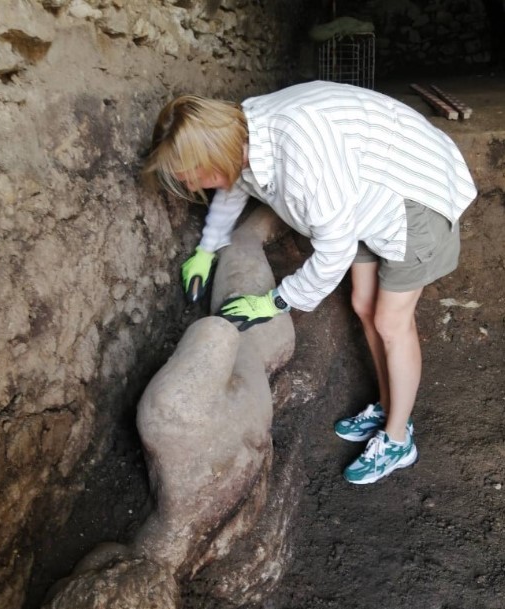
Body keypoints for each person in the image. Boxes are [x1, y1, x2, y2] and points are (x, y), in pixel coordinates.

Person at [143, 80, 477, 485]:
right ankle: (390, 406)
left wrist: (278, 301)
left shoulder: (301, 163)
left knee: (392, 322)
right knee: (363, 305)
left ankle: (398, 437)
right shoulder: (239, 138)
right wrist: (208, 248)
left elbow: (333, 253)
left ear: (211, 157)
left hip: (414, 191)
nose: (192, 187)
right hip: (364, 194)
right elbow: (233, 183)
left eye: (190, 176)